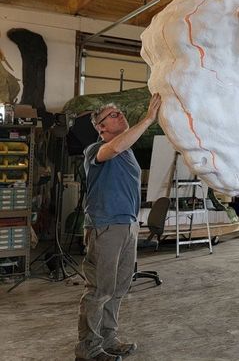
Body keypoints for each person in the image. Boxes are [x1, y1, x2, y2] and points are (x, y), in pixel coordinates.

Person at [75, 94, 161, 361]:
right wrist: (148, 119)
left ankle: (108, 339)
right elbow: (111, 149)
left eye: (120, 112)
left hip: (127, 226)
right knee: (99, 289)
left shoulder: (128, 152)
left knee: (118, 288)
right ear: (101, 128)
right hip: (105, 226)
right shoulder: (95, 150)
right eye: (113, 115)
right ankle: (88, 348)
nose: (120, 115)